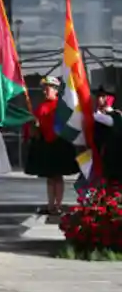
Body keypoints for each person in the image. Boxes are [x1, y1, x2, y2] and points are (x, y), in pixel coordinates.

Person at [25, 76, 79, 215]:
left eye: (47, 88)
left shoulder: (61, 106)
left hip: (58, 144)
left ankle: (58, 205)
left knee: (57, 176)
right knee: (49, 177)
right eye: (44, 89)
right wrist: (33, 125)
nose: (44, 92)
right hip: (46, 144)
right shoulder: (41, 106)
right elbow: (34, 127)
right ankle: (50, 205)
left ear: (55, 90)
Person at [92, 87, 121, 184]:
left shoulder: (115, 115)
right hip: (98, 153)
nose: (99, 99)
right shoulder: (97, 114)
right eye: (98, 96)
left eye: (103, 96)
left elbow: (103, 119)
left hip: (112, 155)